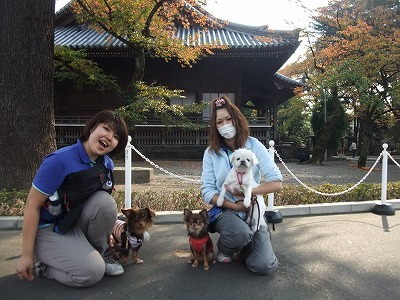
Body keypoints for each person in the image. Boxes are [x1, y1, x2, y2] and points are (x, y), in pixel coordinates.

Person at [16, 110, 129, 287]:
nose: (109, 137)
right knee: (91, 273)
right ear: (92, 128)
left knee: (105, 202)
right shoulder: (59, 160)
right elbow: (31, 206)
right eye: (106, 128)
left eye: (115, 136)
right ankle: (43, 266)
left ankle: (100, 253)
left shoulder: (106, 163)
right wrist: (26, 255)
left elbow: (98, 205)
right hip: (47, 229)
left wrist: (107, 235)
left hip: (71, 221)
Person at [201, 96, 283, 275]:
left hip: (253, 209)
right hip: (226, 210)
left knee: (263, 266)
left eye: (229, 119)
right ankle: (226, 247)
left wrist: (249, 192)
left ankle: (250, 245)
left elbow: (277, 183)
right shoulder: (211, 153)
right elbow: (207, 191)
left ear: (237, 120)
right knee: (239, 234)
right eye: (220, 122)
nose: (225, 125)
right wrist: (234, 205)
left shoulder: (254, 145)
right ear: (215, 127)